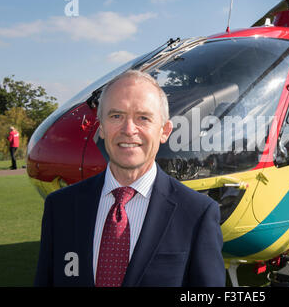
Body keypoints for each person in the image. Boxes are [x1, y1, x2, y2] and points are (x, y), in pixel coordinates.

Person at [34, 70, 226, 287]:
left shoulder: (197, 214)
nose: (128, 130)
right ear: (102, 127)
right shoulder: (60, 207)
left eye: (143, 118)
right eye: (116, 116)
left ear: (164, 131)